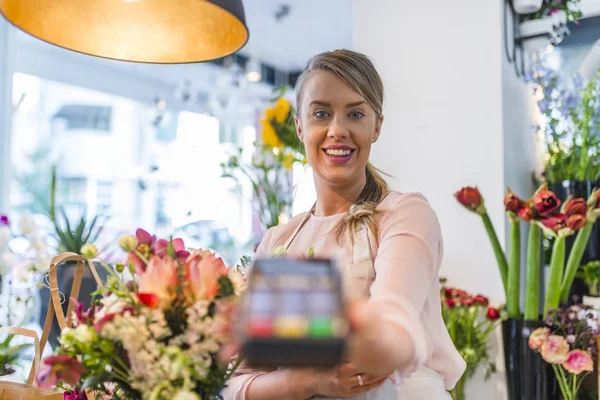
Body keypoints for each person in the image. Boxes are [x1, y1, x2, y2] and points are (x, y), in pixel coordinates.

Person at [224, 49, 465, 400]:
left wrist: (374, 341)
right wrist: (309, 383)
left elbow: (394, 320)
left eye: (355, 114)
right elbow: (236, 382)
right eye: (321, 113)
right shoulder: (278, 239)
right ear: (299, 126)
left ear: (376, 126)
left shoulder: (404, 214)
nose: (338, 131)